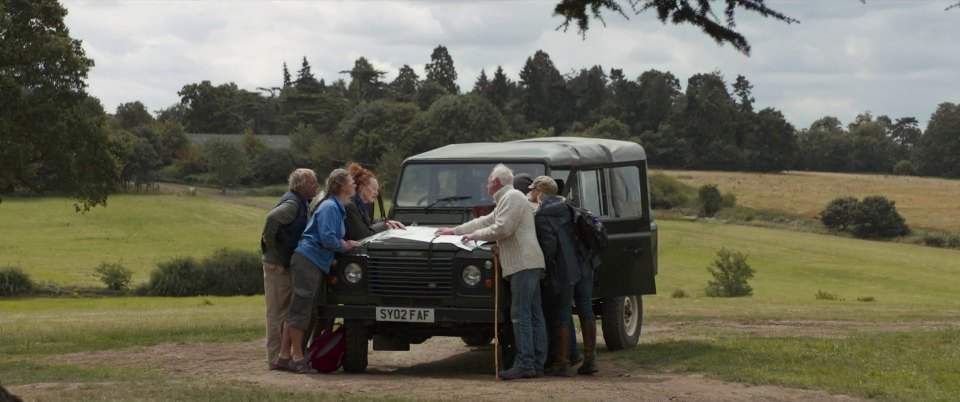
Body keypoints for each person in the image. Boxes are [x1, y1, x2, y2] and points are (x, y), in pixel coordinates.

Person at [435, 164, 547, 380]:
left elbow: (502, 228)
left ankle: (526, 363)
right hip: (526, 263)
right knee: (532, 314)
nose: (486, 184)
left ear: (496, 182)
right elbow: (488, 220)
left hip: (523, 264)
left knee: (521, 315)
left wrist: (474, 236)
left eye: (488, 180)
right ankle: (536, 362)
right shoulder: (507, 198)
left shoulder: (513, 197)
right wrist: (455, 231)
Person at [278, 169, 361, 374]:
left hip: (313, 262)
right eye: (351, 182)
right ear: (342, 186)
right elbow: (327, 238)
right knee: (301, 310)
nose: (354, 185)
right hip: (308, 261)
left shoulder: (336, 207)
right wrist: (346, 245)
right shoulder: (330, 208)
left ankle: (283, 356)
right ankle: (297, 358)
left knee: (299, 309)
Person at [260, 168, 319, 370]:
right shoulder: (293, 204)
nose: (316, 187)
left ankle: (282, 357)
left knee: (284, 310)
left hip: (281, 262)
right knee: (277, 312)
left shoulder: (301, 202)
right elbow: (271, 219)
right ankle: (275, 358)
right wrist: (271, 248)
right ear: (301, 185)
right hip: (276, 265)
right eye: (312, 183)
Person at [529, 175, 583, 377]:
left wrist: (543, 268)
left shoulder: (543, 214)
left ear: (541, 192)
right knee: (565, 313)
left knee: (556, 315)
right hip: (572, 268)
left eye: (534, 190)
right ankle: (572, 354)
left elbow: (549, 247)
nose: (532, 194)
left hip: (556, 270)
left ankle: (560, 361)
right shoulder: (567, 207)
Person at [344, 163, 404, 241]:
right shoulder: (350, 205)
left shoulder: (365, 205)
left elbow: (369, 222)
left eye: (377, 190)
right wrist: (385, 225)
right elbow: (364, 235)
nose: (376, 193)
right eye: (374, 188)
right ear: (362, 187)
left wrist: (387, 222)